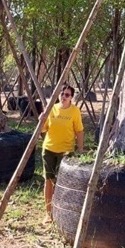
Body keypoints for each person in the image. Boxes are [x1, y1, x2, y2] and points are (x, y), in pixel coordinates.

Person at [41, 84, 84, 222]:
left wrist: (80, 149)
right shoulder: (51, 109)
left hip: (66, 152)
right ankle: (48, 212)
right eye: (62, 94)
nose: (64, 97)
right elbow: (43, 129)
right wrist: (41, 119)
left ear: (71, 97)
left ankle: (63, 213)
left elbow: (79, 131)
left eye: (67, 95)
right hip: (49, 149)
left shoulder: (74, 111)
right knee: (49, 180)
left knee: (63, 182)